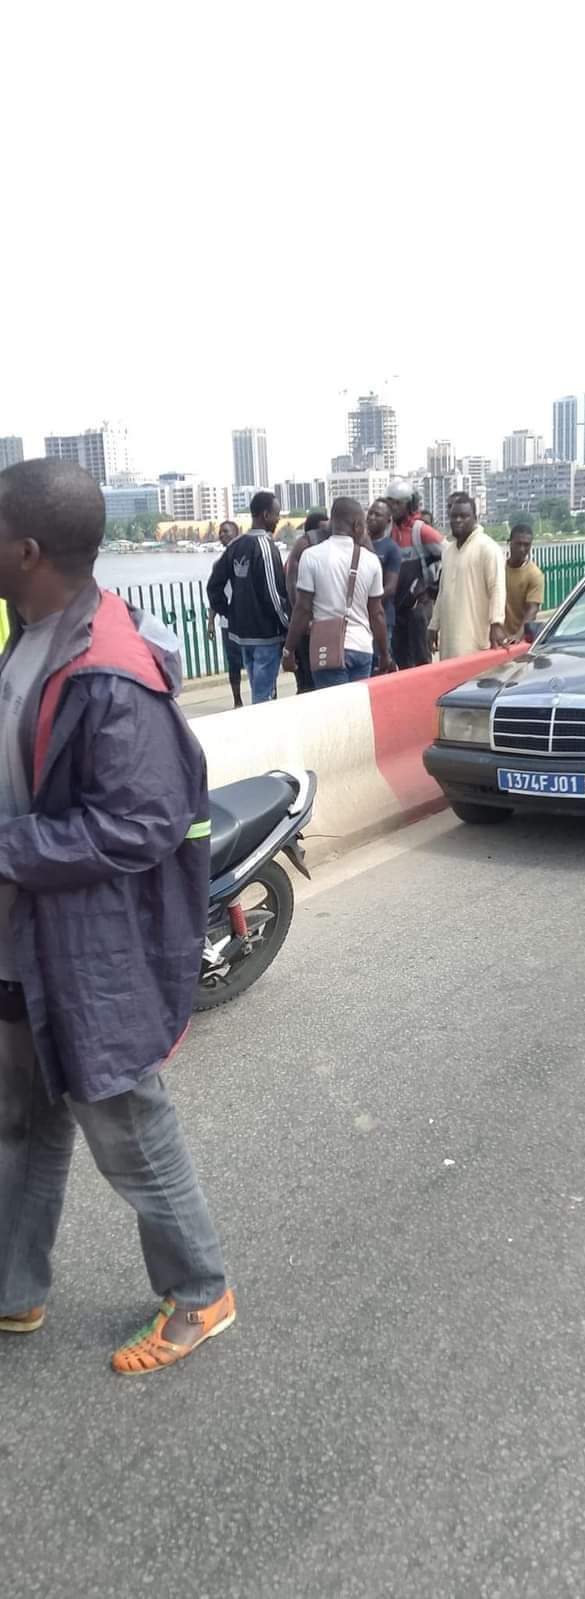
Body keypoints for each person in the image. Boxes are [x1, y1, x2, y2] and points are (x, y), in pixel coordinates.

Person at [0, 459, 234, 1374]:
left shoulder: (110, 670)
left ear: (24, 550)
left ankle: (201, 1291)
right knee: (19, 1117)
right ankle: (15, 1289)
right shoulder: (36, 633)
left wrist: (8, 851)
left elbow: (141, 822)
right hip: (26, 940)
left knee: (128, 1127)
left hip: (89, 950)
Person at [282, 497, 392, 688]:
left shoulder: (311, 555)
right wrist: (384, 654)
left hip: (326, 648)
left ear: (332, 522)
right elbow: (377, 613)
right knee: (358, 711)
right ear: (358, 526)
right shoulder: (371, 560)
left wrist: (289, 650)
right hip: (361, 649)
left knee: (333, 712)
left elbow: (302, 609)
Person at [206, 490, 288, 704]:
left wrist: (231, 612)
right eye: (276, 514)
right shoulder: (265, 547)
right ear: (265, 514)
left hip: (242, 635)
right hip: (265, 635)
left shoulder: (235, 546)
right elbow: (273, 593)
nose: (279, 519)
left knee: (257, 690)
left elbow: (213, 586)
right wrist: (288, 624)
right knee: (263, 697)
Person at [428, 492, 507, 659]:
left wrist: (496, 623)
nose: (458, 520)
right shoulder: (448, 551)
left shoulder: (487, 548)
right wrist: (434, 625)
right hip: (449, 640)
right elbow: (442, 591)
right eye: (454, 516)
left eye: (464, 516)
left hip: (475, 640)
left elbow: (497, 588)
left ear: (475, 518)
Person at [386, 480, 445, 670]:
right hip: (398, 607)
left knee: (421, 658)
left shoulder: (422, 531)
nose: (393, 507)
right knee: (401, 660)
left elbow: (450, 556)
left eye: (398, 503)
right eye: (391, 502)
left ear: (409, 504)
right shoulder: (389, 532)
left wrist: (431, 590)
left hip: (418, 607)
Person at [284, 510, 330, 693]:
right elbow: (295, 595)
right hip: (306, 626)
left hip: (308, 624)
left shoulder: (309, 555)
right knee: (308, 681)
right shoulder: (303, 553)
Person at [207, 519, 244, 707]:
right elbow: (215, 593)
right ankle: (237, 700)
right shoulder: (218, 564)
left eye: (226, 531)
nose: (222, 535)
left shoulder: (245, 558)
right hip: (227, 622)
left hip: (247, 620)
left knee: (253, 661)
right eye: (220, 532)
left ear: (236, 533)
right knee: (233, 663)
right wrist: (211, 621)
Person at [367, 498, 401, 661]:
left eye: (377, 515)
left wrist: (368, 602)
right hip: (360, 619)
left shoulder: (391, 548)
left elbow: (390, 587)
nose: (372, 517)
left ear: (388, 520)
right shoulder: (358, 545)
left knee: (380, 662)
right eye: (370, 513)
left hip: (382, 617)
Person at [504, 523, 545, 641]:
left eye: (526, 545)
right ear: (509, 543)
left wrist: (518, 636)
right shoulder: (498, 568)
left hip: (519, 639)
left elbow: (532, 609)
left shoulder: (535, 575)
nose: (522, 549)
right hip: (496, 637)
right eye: (518, 544)